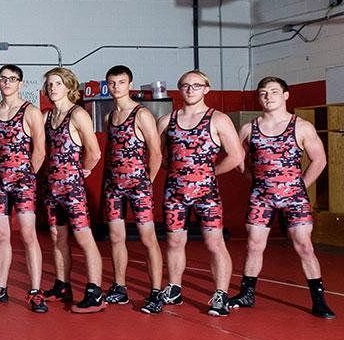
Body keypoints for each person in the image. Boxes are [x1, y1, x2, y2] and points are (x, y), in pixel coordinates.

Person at [229, 77, 334, 318]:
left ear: (286, 95)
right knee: (254, 245)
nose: (268, 96)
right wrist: (254, 179)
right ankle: (246, 294)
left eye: (274, 91)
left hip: (294, 197)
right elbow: (238, 159)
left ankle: (319, 300)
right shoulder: (249, 129)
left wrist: (301, 185)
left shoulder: (302, 127)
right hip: (261, 197)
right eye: (263, 93)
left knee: (304, 245)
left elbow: (320, 160)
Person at [157, 70, 244, 316]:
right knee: (174, 242)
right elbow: (159, 156)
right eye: (185, 85)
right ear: (179, 89)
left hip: (207, 194)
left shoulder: (218, 119)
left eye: (196, 85)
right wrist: (179, 171)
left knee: (214, 243)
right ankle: (174, 289)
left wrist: (208, 174)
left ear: (206, 89)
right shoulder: (167, 121)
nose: (190, 89)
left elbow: (236, 156)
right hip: (175, 193)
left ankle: (221, 294)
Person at [40, 68, 105, 313]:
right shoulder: (48, 117)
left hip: (72, 188)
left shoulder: (77, 115)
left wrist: (83, 171)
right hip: (51, 187)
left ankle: (95, 292)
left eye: (57, 83)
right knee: (57, 236)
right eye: (49, 84)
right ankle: (62, 286)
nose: (52, 88)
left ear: (69, 86)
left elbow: (94, 152)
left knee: (83, 236)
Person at [100, 66, 164, 312]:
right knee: (116, 237)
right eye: (112, 83)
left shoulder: (141, 114)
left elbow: (155, 152)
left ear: (130, 85)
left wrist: (148, 182)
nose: (116, 87)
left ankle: (156, 292)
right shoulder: (109, 117)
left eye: (121, 82)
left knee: (148, 239)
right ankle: (119, 287)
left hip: (139, 186)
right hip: (113, 187)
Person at [0, 64, 47, 313]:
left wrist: (27, 177)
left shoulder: (30, 112)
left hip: (24, 183)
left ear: (20, 83)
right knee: (2, 235)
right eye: (3, 78)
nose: (7, 82)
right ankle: (0, 287)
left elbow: (40, 150)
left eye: (12, 79)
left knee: (28, 235)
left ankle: (35, 291)